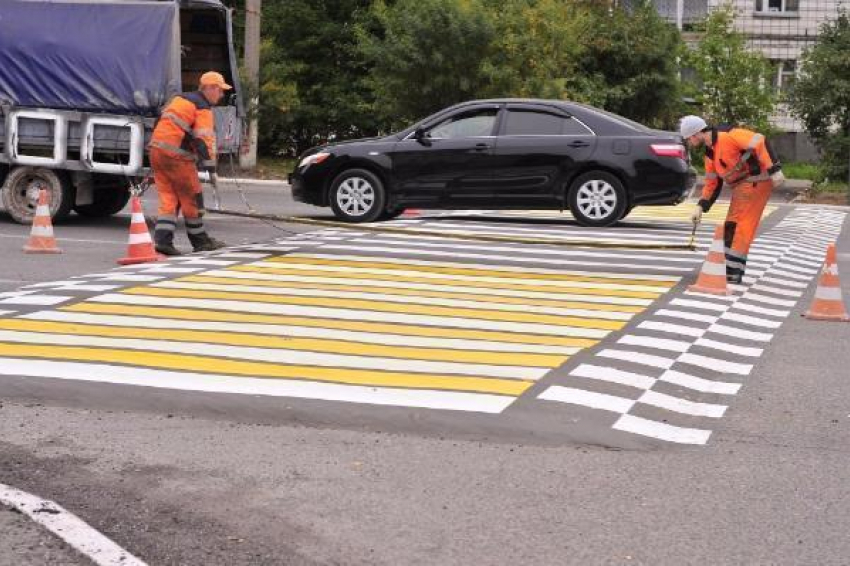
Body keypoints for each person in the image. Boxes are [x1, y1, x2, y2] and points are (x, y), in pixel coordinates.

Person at [680, 115, 786, 284]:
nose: (689, 143)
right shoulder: (710, 153)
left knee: (742, 225)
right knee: (731, 224)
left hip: (757, 182)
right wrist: (701, 205)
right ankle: (729, 266)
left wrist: (774, 169)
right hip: (742, 187)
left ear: (696, 133)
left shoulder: (728, 135)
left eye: (688, 139)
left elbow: (760, 141)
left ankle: (733, 270)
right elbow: (712, 183)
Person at [148, 71, 230, 256]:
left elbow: (159, 121)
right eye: (219, 90)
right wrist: (211, 167)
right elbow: (204, 139)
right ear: (210, 88)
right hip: (176, 155)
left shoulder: (179, 99)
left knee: (169, 197)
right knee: (192, 196)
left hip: (156, 151)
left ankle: (163, 241)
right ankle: (200, 242)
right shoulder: (202, 106)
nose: (221, 95)